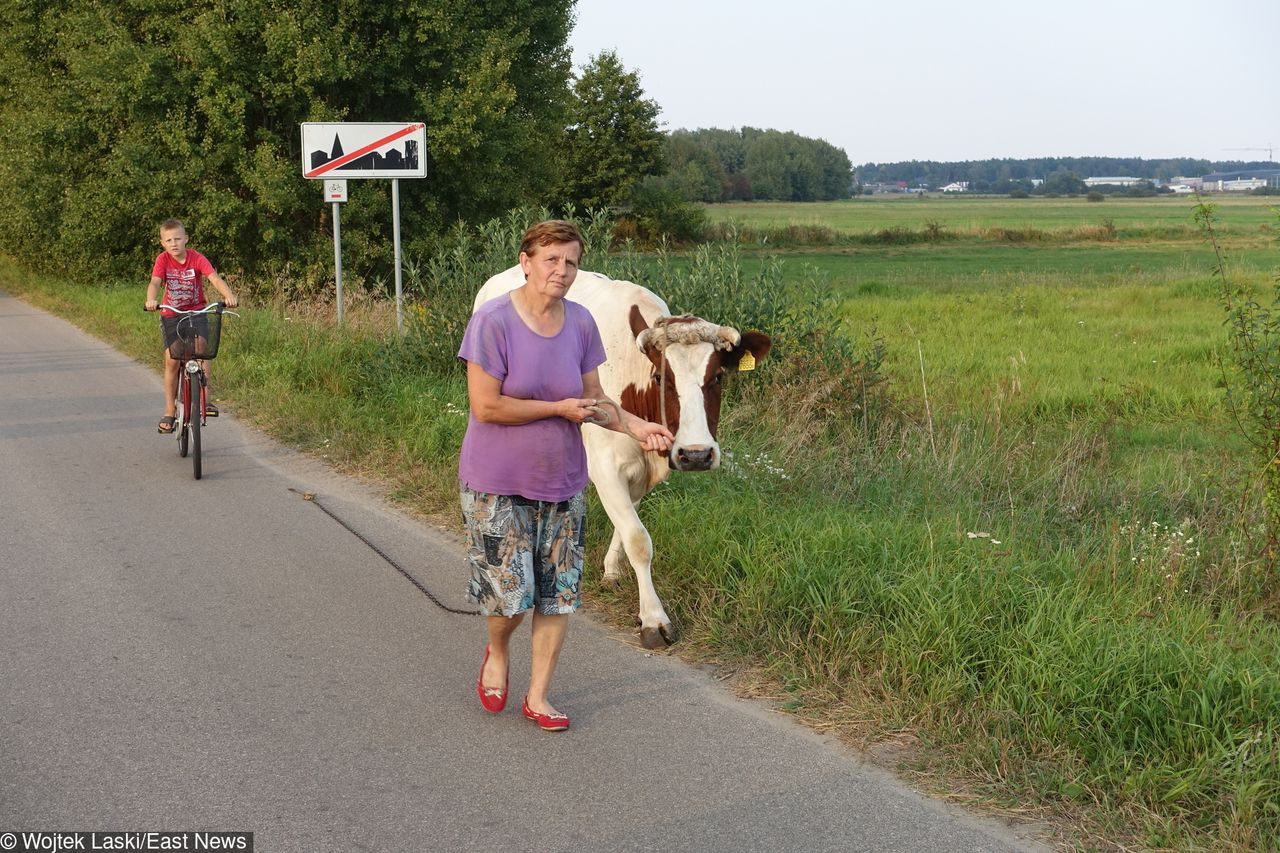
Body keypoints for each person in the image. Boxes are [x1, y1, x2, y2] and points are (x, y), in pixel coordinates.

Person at [458, 220, 673, 731]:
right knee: (511, 599)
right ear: (526, 261)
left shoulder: (580, 324)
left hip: (563, 481)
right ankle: (496, 651)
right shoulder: (492, 321)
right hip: (497, 481)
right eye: (551, 259)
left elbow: (594, 401)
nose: (561, 270)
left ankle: (538, 695)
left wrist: (639, 426)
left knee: (557, 595)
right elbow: (486, 407)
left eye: (571, 262)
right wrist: (557, 409)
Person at [144, 219, 238, 433]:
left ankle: (205, 400)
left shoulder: (196, 258)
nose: (174, 243)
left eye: (178, 238)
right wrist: (151, 299)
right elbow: (155, 283)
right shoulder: (163, 260)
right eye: (169, 240)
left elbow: (214, 278)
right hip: (172, 314)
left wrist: (229, 295)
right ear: (163, 243)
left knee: (203, 350)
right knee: (172, 361)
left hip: (197, 311)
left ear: (186, 239)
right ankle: (169, 410)